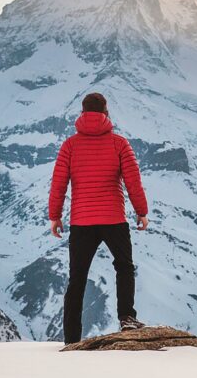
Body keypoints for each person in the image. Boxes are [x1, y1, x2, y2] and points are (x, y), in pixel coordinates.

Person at [48, 92, 149, 344]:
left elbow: (58, 183)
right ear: (106, 113)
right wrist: (142, 211)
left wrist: (55, 216)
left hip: (82, 222)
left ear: (82, 113)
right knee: (124, 267)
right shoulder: (119, 143)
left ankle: (71, 337)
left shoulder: (69, 145)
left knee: (77, 278)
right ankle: (127, 317)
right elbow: (133, 181)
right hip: (114, 218)